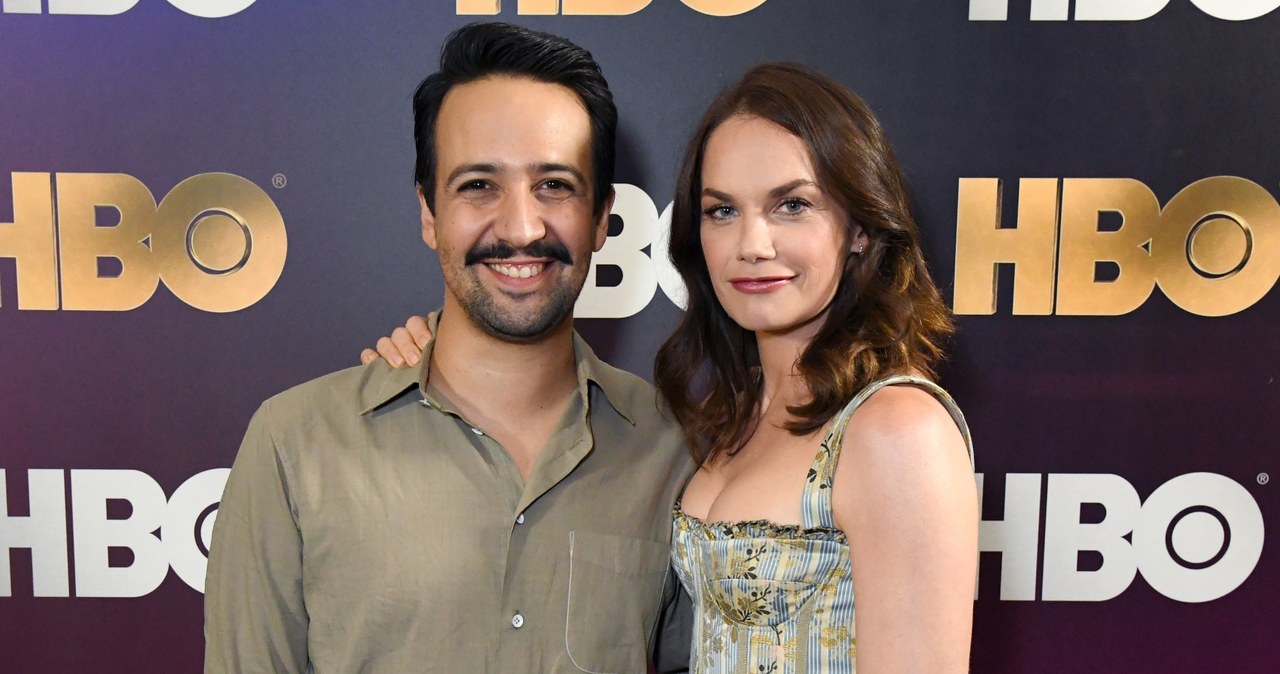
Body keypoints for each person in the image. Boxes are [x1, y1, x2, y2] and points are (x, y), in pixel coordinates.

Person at [369, 64, 978, 672]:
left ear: (861, 229)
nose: (753, 244)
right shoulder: (727, 422)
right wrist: (436, 354)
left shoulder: (897, 430)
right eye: (722, 211)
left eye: (792, 205)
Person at [205, 23, 694, 674]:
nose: (521, 228)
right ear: (429, 211)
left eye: (554, 185)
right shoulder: (295, 444)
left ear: (603, 216)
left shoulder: (675, 451)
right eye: (478, 186)